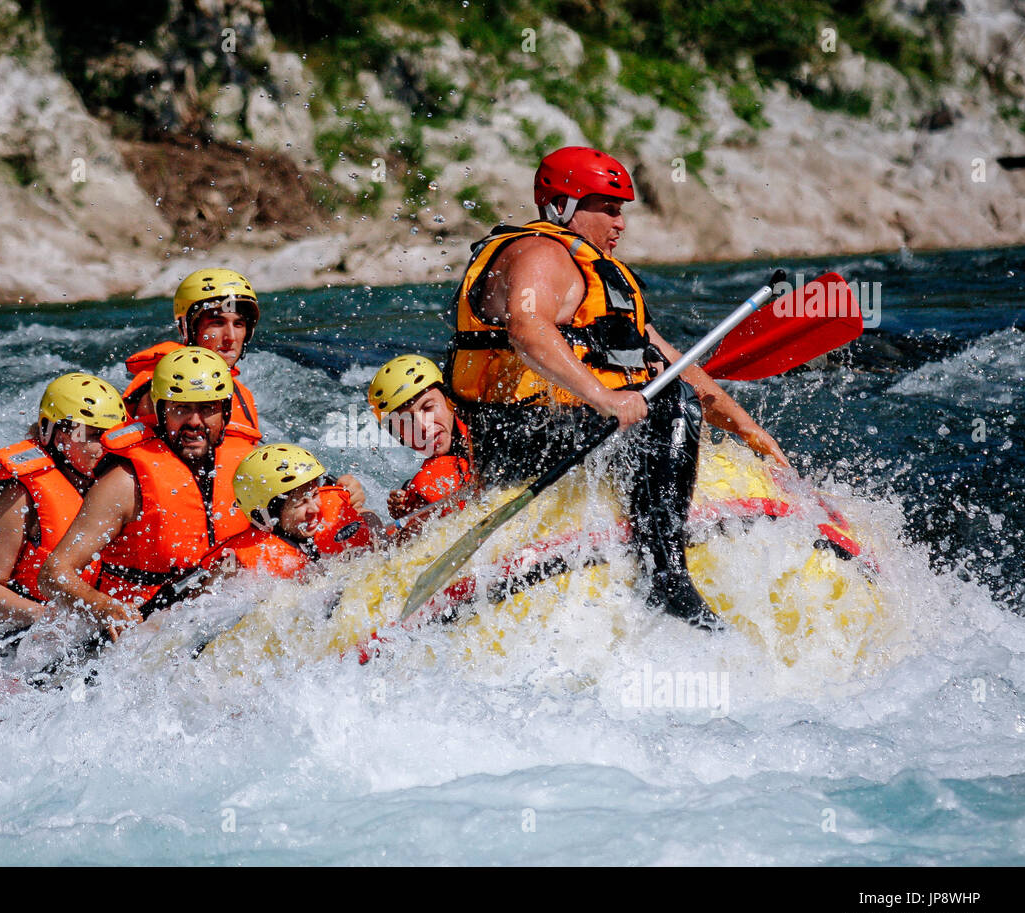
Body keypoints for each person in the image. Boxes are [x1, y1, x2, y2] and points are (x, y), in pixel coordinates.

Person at [445, 146, 788, 628]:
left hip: (569, 425)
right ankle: (666, 576)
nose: (620, 222)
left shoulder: (601, 275)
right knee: (670, 404)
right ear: (562, 206)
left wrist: (748, 429)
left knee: (666, 388)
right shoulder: (539, 254)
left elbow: (673, 362)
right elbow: (527, 328)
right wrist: (605, 398)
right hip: (516, 437)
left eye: (621, 209)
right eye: (606, 208)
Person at [37, 347, 256, 635]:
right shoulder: (125, 482)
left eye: (207, 409)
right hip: (145, 630)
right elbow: (53, 574)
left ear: (225, 412)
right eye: (181, 408)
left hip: (227, 614)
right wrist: (100, 606)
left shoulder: (250, 466)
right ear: (161, 411)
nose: (194, 422)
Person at [0, 373, 128, 634]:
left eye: (112, 436)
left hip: (92, 617)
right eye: (92, 436)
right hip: (23, 629)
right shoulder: (21, 493)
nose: (106, 447)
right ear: (54, 435)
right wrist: (46, 618)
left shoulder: (117, 484)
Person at [122, 267, 262, 442]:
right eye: (217, 323)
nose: (230, 337)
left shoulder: (242, 393)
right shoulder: (162, 385)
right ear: (186, 328)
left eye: (239, 324)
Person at [204, 443, 382, 579]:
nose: (314, 508)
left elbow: (376, 529)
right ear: (266, 516)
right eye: (300, 503)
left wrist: (367, 519)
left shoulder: (331, 513)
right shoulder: (236, 566)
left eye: (314, 495)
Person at [366, 355, 474, 527]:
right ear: (399, 437)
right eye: (406, 422)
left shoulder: (489, 429)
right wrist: (410, 509)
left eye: (428, 407)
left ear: (449, 401)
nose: (423, 426)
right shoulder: (422, 487)